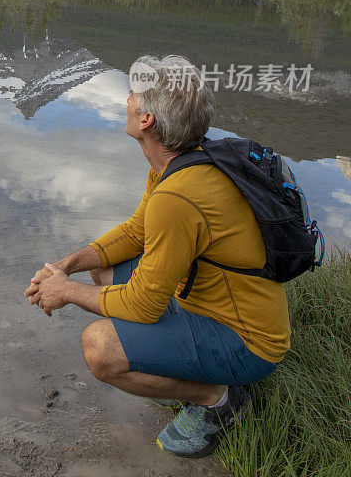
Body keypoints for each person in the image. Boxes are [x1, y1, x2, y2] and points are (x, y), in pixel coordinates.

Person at [24, 54, 290, 458]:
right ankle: (180, 363)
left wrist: (65, 292)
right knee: (105, 270)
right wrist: (67, 265)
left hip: (248, 342)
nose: (127, 99)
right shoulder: (182, 161)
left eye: (134, 94)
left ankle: (218, 398)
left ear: (147, 120)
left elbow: (144, 305)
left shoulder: (178, 195)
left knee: (100, 349)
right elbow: (136, 233)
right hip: (210, 300)